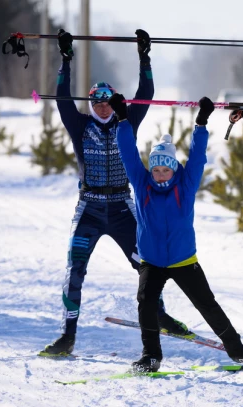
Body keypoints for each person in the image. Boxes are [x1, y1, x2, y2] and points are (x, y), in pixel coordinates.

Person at [40, 29, 190, 357]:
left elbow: (146, 91)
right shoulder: (79, 125)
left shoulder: (127, 121)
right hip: (90, 209)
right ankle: (67, 335)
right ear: (91, 103)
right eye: (96, 101)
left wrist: (144, 57)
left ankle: (160, 314)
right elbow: (62, 97)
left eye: (108, 101)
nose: (103, 107)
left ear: (115, 101)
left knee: (148, 263)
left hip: (123, 207)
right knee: (74, 269)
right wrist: (66, 60)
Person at [108, 93, 243, 373]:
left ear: (173, 170)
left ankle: (238, 351)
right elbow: (128, 152)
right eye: (155, 169)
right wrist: (122, 118)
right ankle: (151, 356)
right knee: (146, 303)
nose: (159, 174)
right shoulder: (142, 184)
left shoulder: (185, 187)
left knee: (207, 305)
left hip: (183, 260)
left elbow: (196, 158)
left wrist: (202, 123)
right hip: (152, 262)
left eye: (164, 169)